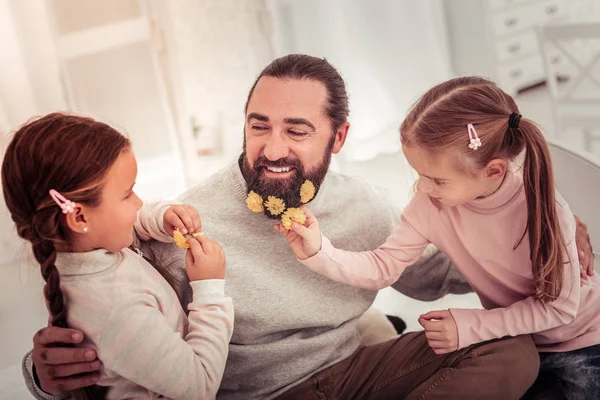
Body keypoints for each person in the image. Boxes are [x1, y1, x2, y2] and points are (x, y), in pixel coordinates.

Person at [22, 55, 594, 400]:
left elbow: (433, 269)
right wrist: (43, 374)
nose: (273, 148)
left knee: (513, 353)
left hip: (353, 374)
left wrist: (536, 241)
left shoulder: (367, 207)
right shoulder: (181, 226)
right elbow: (105, 307)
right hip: (264, 394)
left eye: (297, 130)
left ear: (337, 139)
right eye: (258, 126)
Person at [278, 76, 600, 399]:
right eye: (419, 175)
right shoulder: (432, 203)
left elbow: (560, 310)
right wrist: (320, 251)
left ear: (493, 171)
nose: (423, 188)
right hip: (519, 343)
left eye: (437, 180)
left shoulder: (547, 210)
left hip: (584, 342)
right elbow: (383, 266)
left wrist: (469, 326)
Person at [2, 113, 233, 399]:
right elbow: (199, 387)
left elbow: (127, 225)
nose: (139, 202)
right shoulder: (116, 310)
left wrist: (161, 217)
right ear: (78, 216)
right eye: (128, 194)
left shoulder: (84, 251)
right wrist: (209, 289)